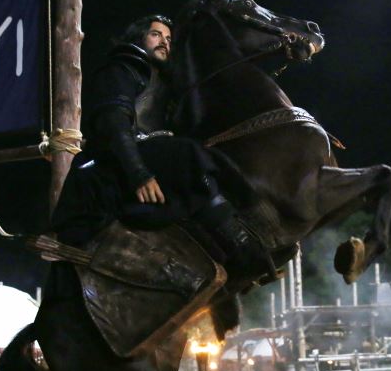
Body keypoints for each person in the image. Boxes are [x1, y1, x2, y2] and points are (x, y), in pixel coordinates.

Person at [50, 15, 270, 276]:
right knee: (188, 154)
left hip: (153, 158)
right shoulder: (121, 70)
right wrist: (139, 175)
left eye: (168, 38)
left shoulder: (167, 85)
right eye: (156, 35)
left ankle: (244, 232)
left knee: (214, 157)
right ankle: (240, 246)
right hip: (111, 168)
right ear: (138, 38)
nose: (165, 42)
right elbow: (115, 127)